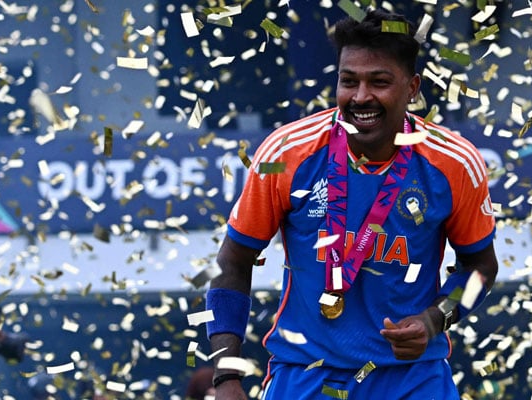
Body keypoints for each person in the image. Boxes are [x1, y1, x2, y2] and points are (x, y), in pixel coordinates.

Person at [205, 9, 498, 400]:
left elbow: (480, 268)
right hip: (306, 376)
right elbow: (233, 263)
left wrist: (434, 320)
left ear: (412, 88)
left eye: (379, 82)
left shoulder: (454, 163)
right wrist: (225, 378)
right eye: (349, 81)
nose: (361, 97)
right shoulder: (286, 153)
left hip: (413, 378)